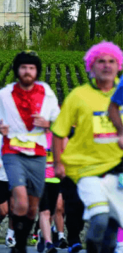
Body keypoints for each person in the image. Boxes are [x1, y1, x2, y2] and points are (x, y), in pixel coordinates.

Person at [52, 41, 123, 253]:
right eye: (101, 61)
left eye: (112, 61)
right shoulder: (78, 96)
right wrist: (58, 163)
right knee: (100, 219)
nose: (107, 66)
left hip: (117, 169)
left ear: (118, 65)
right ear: (91, 66)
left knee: (111, 226)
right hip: (86, 167)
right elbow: (59, 132)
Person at [0, 52, 60, 253]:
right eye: (23, 67)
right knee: (20, 199)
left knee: (32, 208)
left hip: (38, 154)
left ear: (36, 71)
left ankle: (20, 241)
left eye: (31, 68)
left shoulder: (46, 93)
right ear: (17, 70)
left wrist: (47, 124)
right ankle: (20, 247)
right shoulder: (4, 94)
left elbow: (59, 121)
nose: (27, 71)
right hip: (13, 152)